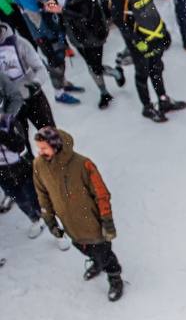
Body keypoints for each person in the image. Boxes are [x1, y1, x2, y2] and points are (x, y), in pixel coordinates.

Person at [32, 127, 124, 301]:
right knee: (84, 248)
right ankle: (96, 263)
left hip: (92, 224)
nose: (40, 152)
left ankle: (114, 276)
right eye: (38, 147)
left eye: (44, 148)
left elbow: (101, 194)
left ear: (55, 146)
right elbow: (42, 194)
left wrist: (107, 222)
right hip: (70, 225)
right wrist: (50, 220)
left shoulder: (83, 164)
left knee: (104, 254)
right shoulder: (39, 165)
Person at [110, 0, 186, 121]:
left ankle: (163, 100)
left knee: (157, 67)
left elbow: (149, 5)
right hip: (137, 40)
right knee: (142, 72)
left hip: (153, 32)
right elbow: (119, 20)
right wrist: (136, 40)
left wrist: (162, 28)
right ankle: (147, 107)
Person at [0, 76, 54, 242]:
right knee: (19, 197)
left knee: (33, 192)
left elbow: (19, 145)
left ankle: (53, 225)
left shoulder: (8, 122)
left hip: (18, 162)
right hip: (2, 171)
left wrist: (5, 130)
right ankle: (34, 219)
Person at [57, 0, 127, 108]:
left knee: (95, 66)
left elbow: (85, 14)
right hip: (75, 35)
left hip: (92, 33)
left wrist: (61, 10)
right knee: (91, 65)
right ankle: (105, 91)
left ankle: (114, 75)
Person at [11, 0, 83, 102]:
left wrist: (56, 15)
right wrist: (49, 36)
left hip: (51, 26)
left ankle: (63, 83)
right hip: (44, 34)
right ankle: (59, 93)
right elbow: (34, 16)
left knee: (59, 58)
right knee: (55, 62)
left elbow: (47, 0)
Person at [0, 20, 55, 131]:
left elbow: (40, 68)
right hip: (9, 103)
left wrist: (35, 83)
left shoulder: (19, 43)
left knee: (51, 136)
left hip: (33, 96)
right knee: (20, 145)